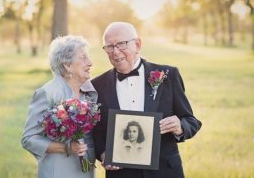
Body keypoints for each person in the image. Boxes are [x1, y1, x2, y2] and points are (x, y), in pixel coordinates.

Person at [91, 22, 202, 178]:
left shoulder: (168, 75)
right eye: (109, 47)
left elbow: (191, 121)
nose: (115, 52)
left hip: (165, 171)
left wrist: (180, 127)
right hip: (121, 174)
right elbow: (95, 133)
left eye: (121, 44)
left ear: (137, 44)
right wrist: (103, 154)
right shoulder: (97, 86)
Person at [21, 35, 97, 178]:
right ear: (67, 65)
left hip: (87, 171)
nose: (90, 63)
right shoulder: (48, 93)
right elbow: (28, 139)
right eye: (84, 58)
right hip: (58, 171)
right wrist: (66, 148)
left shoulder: (91, 93)